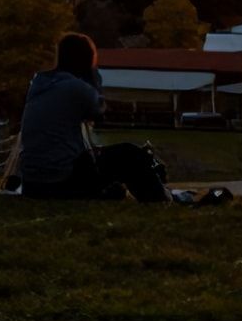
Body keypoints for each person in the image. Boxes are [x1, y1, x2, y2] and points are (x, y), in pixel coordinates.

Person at [14, 33, 168, 203]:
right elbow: (99, 110)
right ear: (86, 60)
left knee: (104, 168)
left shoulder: (39, 84)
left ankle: (107, 192)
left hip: (32, 184)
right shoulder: (77, 88)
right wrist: (94, 77)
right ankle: (159, 199)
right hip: (61, 179)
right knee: (129, 153)